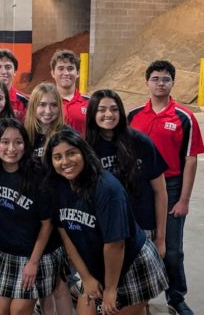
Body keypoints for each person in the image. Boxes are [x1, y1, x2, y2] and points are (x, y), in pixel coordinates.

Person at [44, 129, 168, 315]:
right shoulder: (58, 186)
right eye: (58, 157)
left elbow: (115, 245)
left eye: (71, 153)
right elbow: (65, 233)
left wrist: (110, 289)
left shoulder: (107, 189)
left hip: (131, 264)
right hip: (99, 265)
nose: (65, 162)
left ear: (84, 153)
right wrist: (86, 277)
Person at [128, 60, 204, 315]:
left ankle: (176, 296)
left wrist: (183, 199)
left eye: (166, 79)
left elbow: (191, 159)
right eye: (156, 79)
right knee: (138, 246)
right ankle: (141, 298)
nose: (160, 83)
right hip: (139, 188)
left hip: (171, 187)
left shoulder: (185, 117)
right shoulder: (134, 115)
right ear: (147, 82)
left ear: (173, 82)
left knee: (171, 249)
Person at [0, 118, 58, 315]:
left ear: (25, 145)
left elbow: (47, 224)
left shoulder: (38, 175)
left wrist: (33, 263)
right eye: (5, 141)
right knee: (1, 311)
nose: (11, 148)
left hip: (31, 256)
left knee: (18, 311)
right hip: (1, 253)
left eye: (18, 142)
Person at [86, 89, 168, 257]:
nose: (109, 114)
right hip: (106, 232)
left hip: (142, 227)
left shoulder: (141, 142)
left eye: (114, 109)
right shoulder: (86, 148)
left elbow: (160, 192)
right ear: (93, 113)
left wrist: (160, 239)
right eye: (101, 109)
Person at [24, 82, 74, 315]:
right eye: (42, 105)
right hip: (34, 217)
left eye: (53, 105)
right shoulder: (25, 136)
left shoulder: (67, 136)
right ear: (33, 106)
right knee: (44, 285)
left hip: (59, 216)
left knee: (59, 283)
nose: (48, 110)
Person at [50, 49, 88, 136]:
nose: (66, 73)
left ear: (78, 73)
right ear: (53, 73)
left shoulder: (89, 103)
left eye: (70, 69)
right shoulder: (43, 104)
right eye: (61, 69)